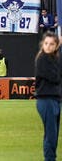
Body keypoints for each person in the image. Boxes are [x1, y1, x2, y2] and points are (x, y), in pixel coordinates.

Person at [35, 32, 61, 161]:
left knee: (54, 135)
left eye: (52, 44)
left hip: (55, 99)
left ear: (56, 46)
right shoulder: (42, 59)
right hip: (45, 100)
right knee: (51, 135)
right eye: (46, 43)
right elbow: (55, 77)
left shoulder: (54, 59)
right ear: (42, 44)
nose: (48, 46)